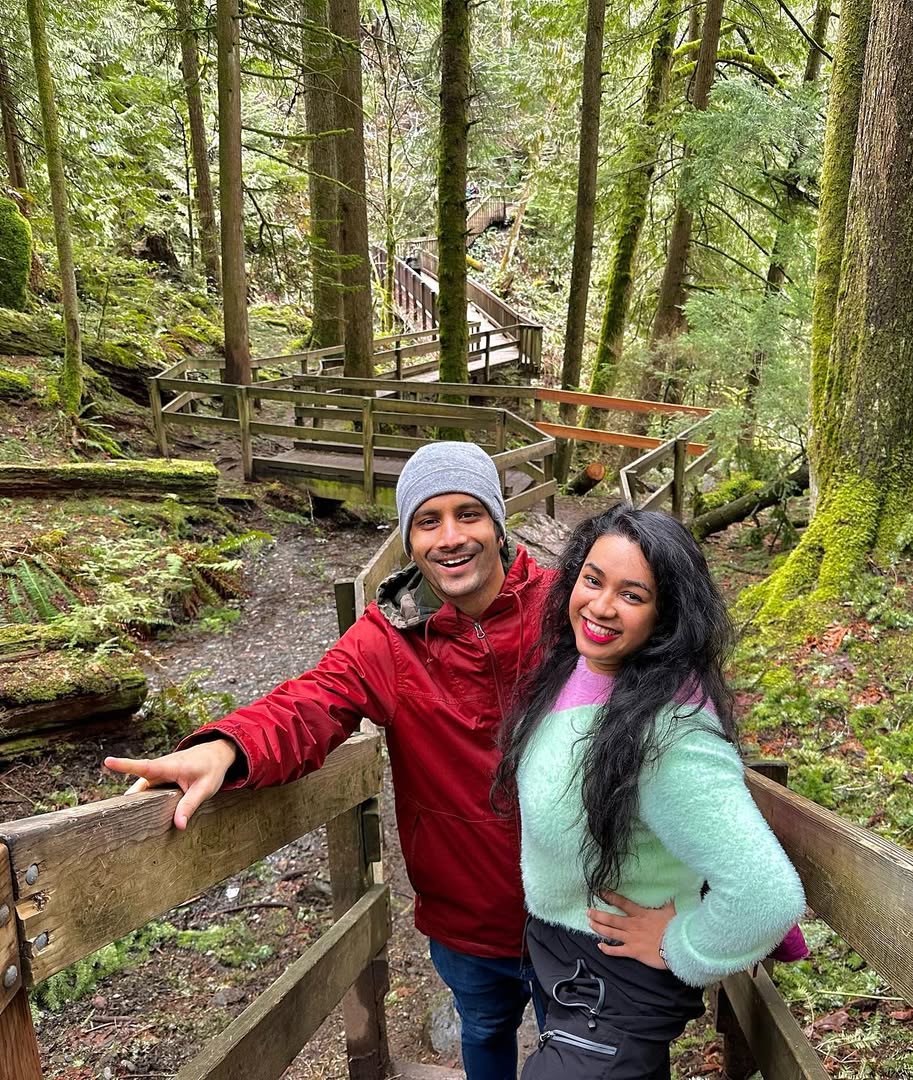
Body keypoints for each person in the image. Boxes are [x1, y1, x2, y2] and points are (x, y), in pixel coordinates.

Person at [105, 441, 553, 1080]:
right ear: (408, 538)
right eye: (428, 521)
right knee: (484, 1031)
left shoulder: (564, 610)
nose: (450, 537)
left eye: (469, 514)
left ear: (498, 524)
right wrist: (226, 747)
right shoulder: (388, 641)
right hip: (467, 910)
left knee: (575, 1052)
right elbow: (310, 703)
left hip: (574, 906)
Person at [492, 505, 807, 1079]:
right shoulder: (582, 670)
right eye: (593, 580)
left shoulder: (669, 731)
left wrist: (678, 946)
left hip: (610, 989)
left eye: (632, 595)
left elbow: (766, 894)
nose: (602, 606)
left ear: (666, 616)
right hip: (569, 965)